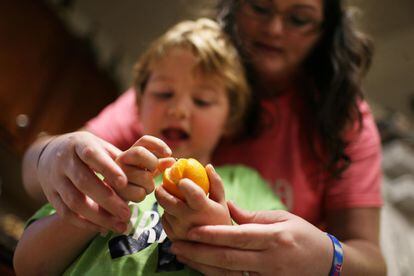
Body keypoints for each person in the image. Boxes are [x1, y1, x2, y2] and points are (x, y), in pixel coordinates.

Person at [20, 0, 387, 275]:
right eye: (260, 6)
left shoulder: (340, 118)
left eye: (299, 18)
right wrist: (50, 153)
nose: (275, 28)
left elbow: (371, 262)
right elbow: (52, 174)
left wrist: (328, 257)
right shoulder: (184, 69)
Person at [14, 18, 285, 275]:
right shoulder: (105, 171)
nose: (178, 110)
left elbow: (281, 260)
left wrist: (218, 231)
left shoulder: (246, 185)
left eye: (202, 101)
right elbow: (28, 265)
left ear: (229, 119)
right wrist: (104, 201)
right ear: (138, 106)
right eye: (164, 94)